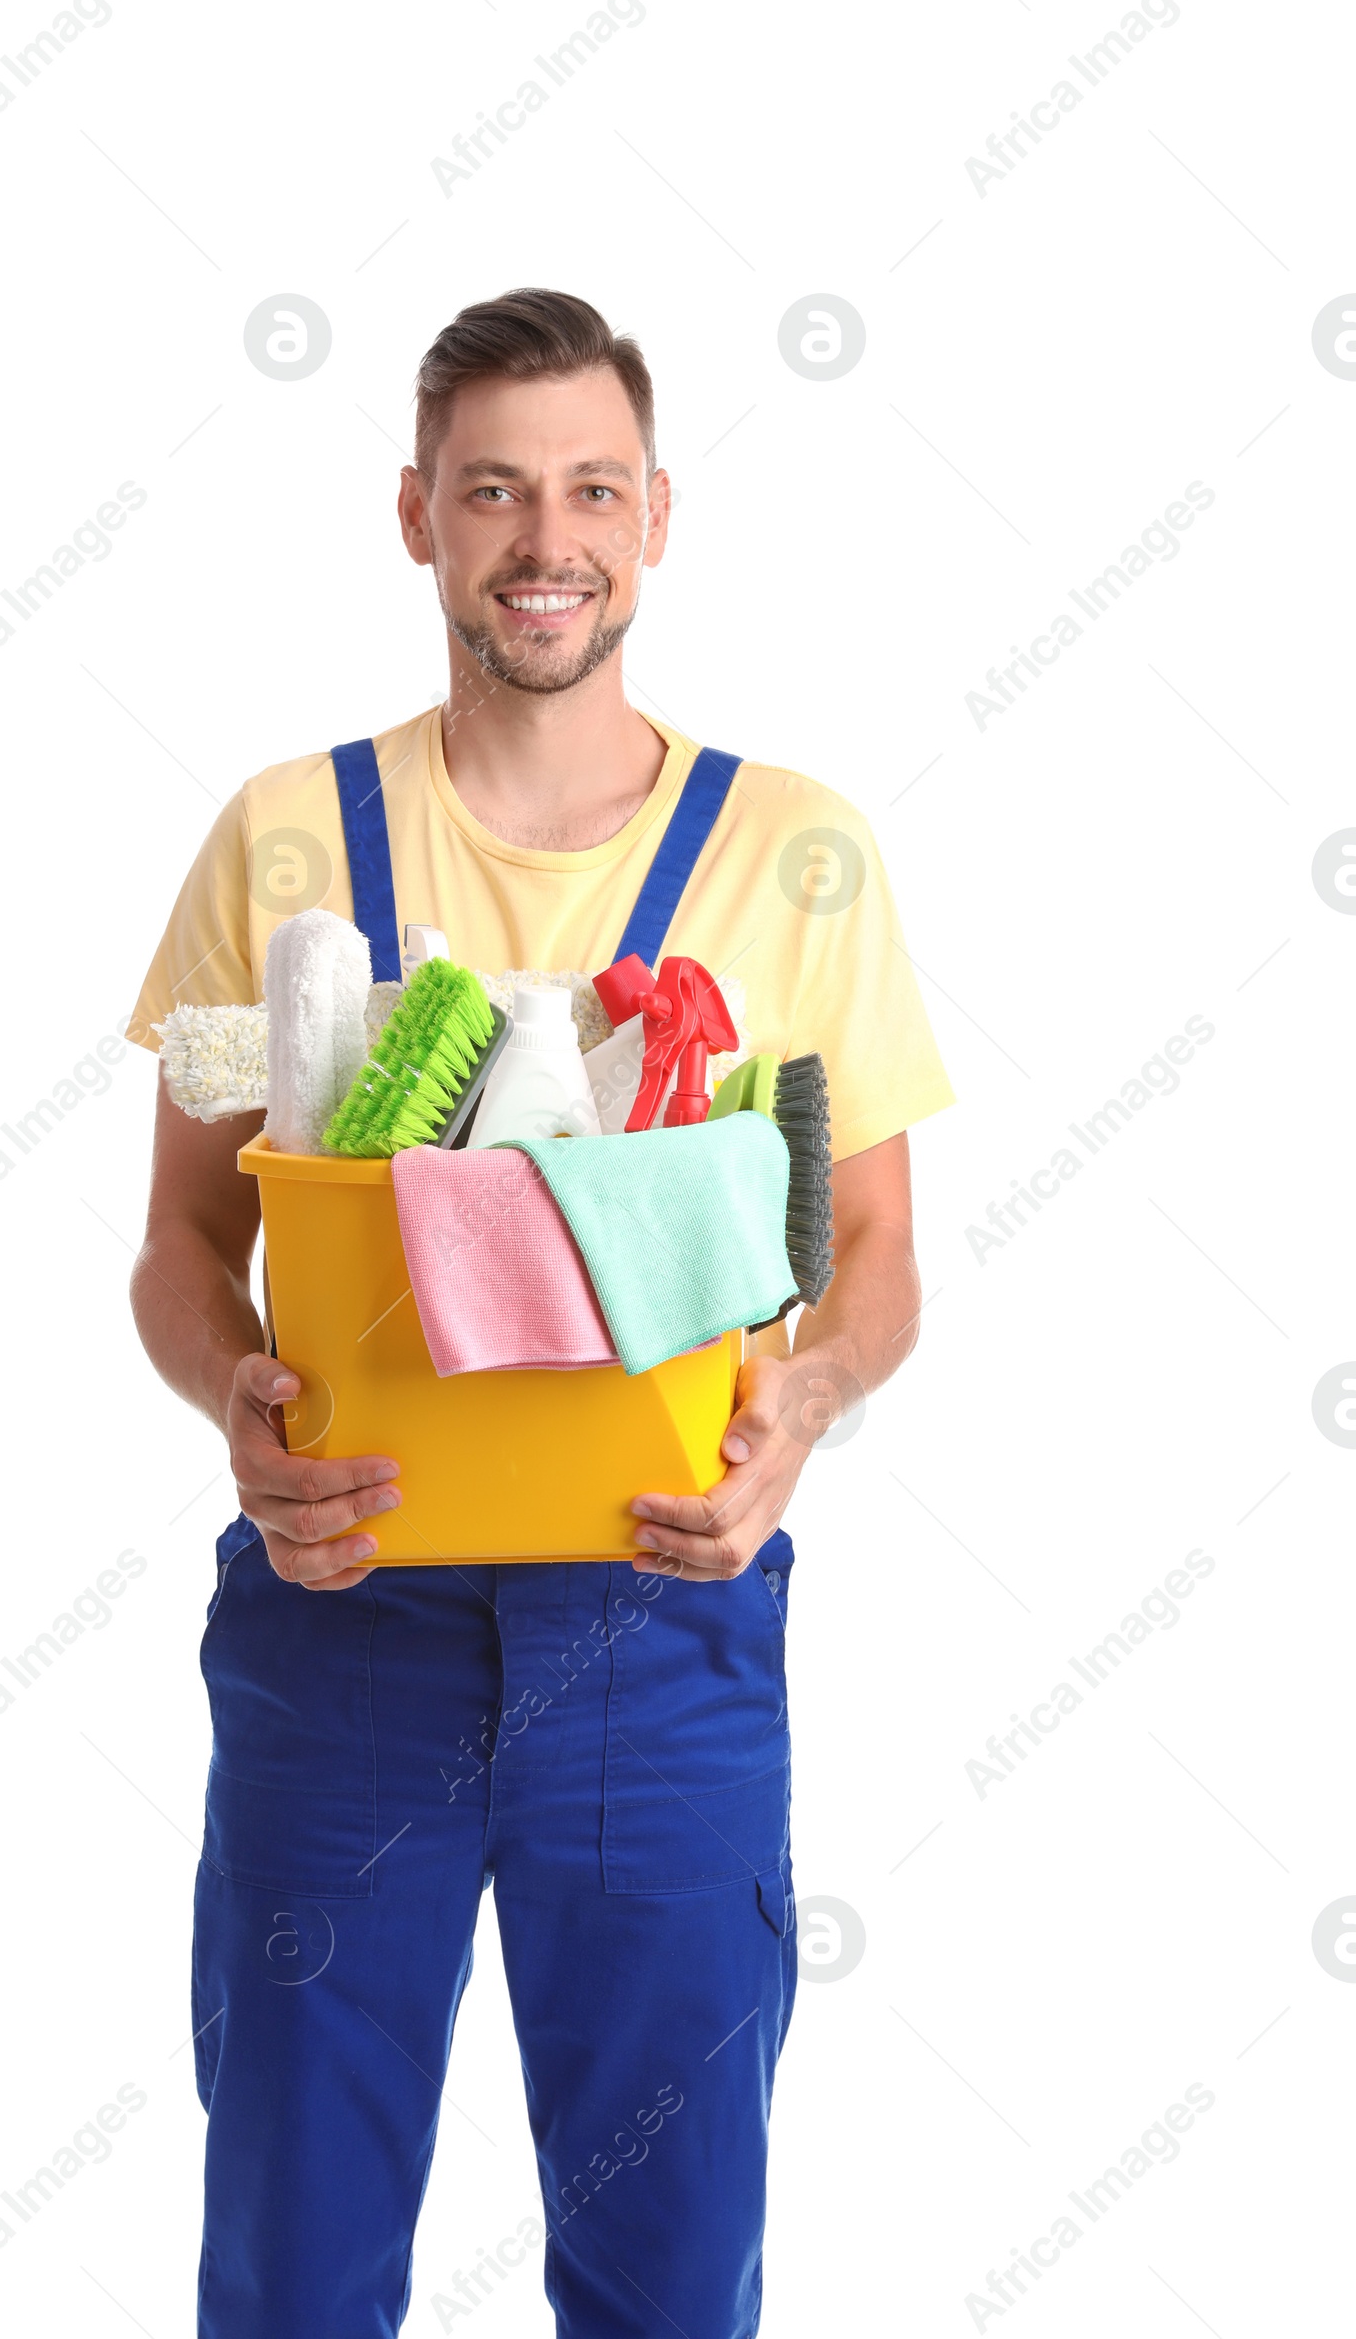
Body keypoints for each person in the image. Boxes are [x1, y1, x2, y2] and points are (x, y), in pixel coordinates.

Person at [127, 287, 953, 2338]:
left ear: (656, 516)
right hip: (344, 1617)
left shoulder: (798, 851)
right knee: (294, 2263)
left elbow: (874, 1264)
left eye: (588, 486)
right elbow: (175, 1247)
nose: (541, 537)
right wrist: (231, 1400)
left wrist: (802, 1413)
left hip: (660, 1617)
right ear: (415, 516)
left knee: (669, 2269)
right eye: (491, 489)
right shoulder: (287, 835)